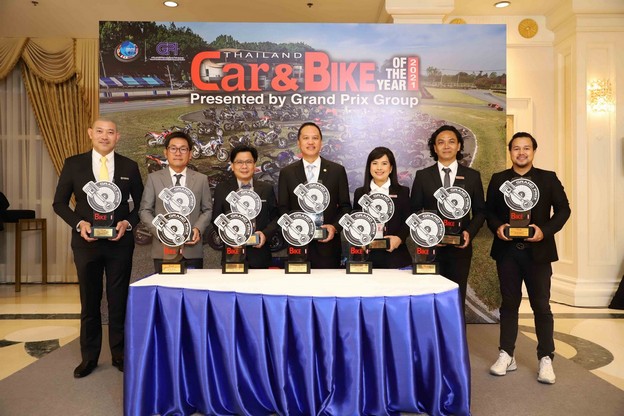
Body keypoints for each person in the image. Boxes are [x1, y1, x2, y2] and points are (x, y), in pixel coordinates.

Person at [53, 118, 144, 378]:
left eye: (110, 132)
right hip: (86, 243)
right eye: (100, 131)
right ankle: (89, 357)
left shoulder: (129, 166)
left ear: (118, 137)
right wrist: (79, 223)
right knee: (89, 300)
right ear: (90, 133)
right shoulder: (74, 164)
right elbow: (59, 203)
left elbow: (141, 205)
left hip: (119, 243)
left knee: (118, 300)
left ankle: (120, 354)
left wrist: (127, 223)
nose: (105, 136)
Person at [486, 132, 570, 384]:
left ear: (534, 151)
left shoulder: (548, 178)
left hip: (538, 253)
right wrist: (498, 227)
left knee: (541, 306)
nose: (521, 152)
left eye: (526, 148)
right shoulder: (499, 179)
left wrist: (545, 230)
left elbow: (564, 209)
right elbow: (489, 211)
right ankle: (506, 354)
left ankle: (546, 358)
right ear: (510, 151)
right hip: (507, 252)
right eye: (516, 148)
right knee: (509, 304)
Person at [410, 125, 486, 307]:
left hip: (460, 250)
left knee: (455, 299)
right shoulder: (422, 176)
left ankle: (456, 328)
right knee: (429, 299)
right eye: (441, 142)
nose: (446, 146)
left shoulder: (472, 176)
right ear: (434, 148)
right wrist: (426, 235)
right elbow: (413, 211)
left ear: (459, 146)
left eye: (451, 142)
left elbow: (481, 211)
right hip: (430, 249)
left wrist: (469, 233)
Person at [278, 122, 351, 268]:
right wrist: (294, 228)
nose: (310, 142)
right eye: (306, 138)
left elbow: (345, 207)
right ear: (299, 142)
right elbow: (282, 208)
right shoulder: (287, 173)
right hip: (298, 245)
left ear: (321, 142)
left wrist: (335, 227)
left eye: (315, 138)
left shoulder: (337, 171)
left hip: (328, 247)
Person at [139, 131, 212, 271]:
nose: (178, 153)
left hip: (192, 250)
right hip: (163, 249)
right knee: (165, 286)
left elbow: (207, 209)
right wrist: (161, 232)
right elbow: (145, 211)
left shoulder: (201, 179)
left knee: (193, 285)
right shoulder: (154, 179)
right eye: (173, 148)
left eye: (183, 149)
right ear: (165, 152)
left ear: (190, 154)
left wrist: (198, 228)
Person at [212, 145, 278, 268]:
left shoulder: (266, 188)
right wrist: (229, 237)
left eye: (248, 162)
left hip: (260, 254)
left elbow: (276, 217)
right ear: (232, 165)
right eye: (239, 162)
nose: (244, 166)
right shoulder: (222, 189)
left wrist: (265, 234)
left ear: (254, 165)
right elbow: (216, 218)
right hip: (232, 254)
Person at [352, 147, 412, 268]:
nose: (379, 168)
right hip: (366, 256)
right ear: (369, 167)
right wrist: (359, 240)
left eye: (384, 164)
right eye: (375, 163)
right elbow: (356, 221)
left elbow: (408, 221)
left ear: (391, 168)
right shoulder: (360, 193)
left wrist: (399, 238)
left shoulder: (402, 192)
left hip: (395, 255)